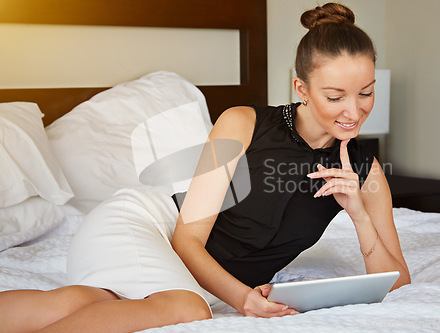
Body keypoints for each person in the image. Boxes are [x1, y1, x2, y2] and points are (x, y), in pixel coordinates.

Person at [0, 2, 410, 332]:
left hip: (201, 276)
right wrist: (241, 298)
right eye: (335, 96)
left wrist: (359, 214)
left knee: (85, 303)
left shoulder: (365, 170)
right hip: (149, 226)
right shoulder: (244, 123)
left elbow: (398, 281)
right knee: (186, 308)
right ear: (300, 88)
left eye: (366, 93)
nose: (353, 111)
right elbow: (187, 238)